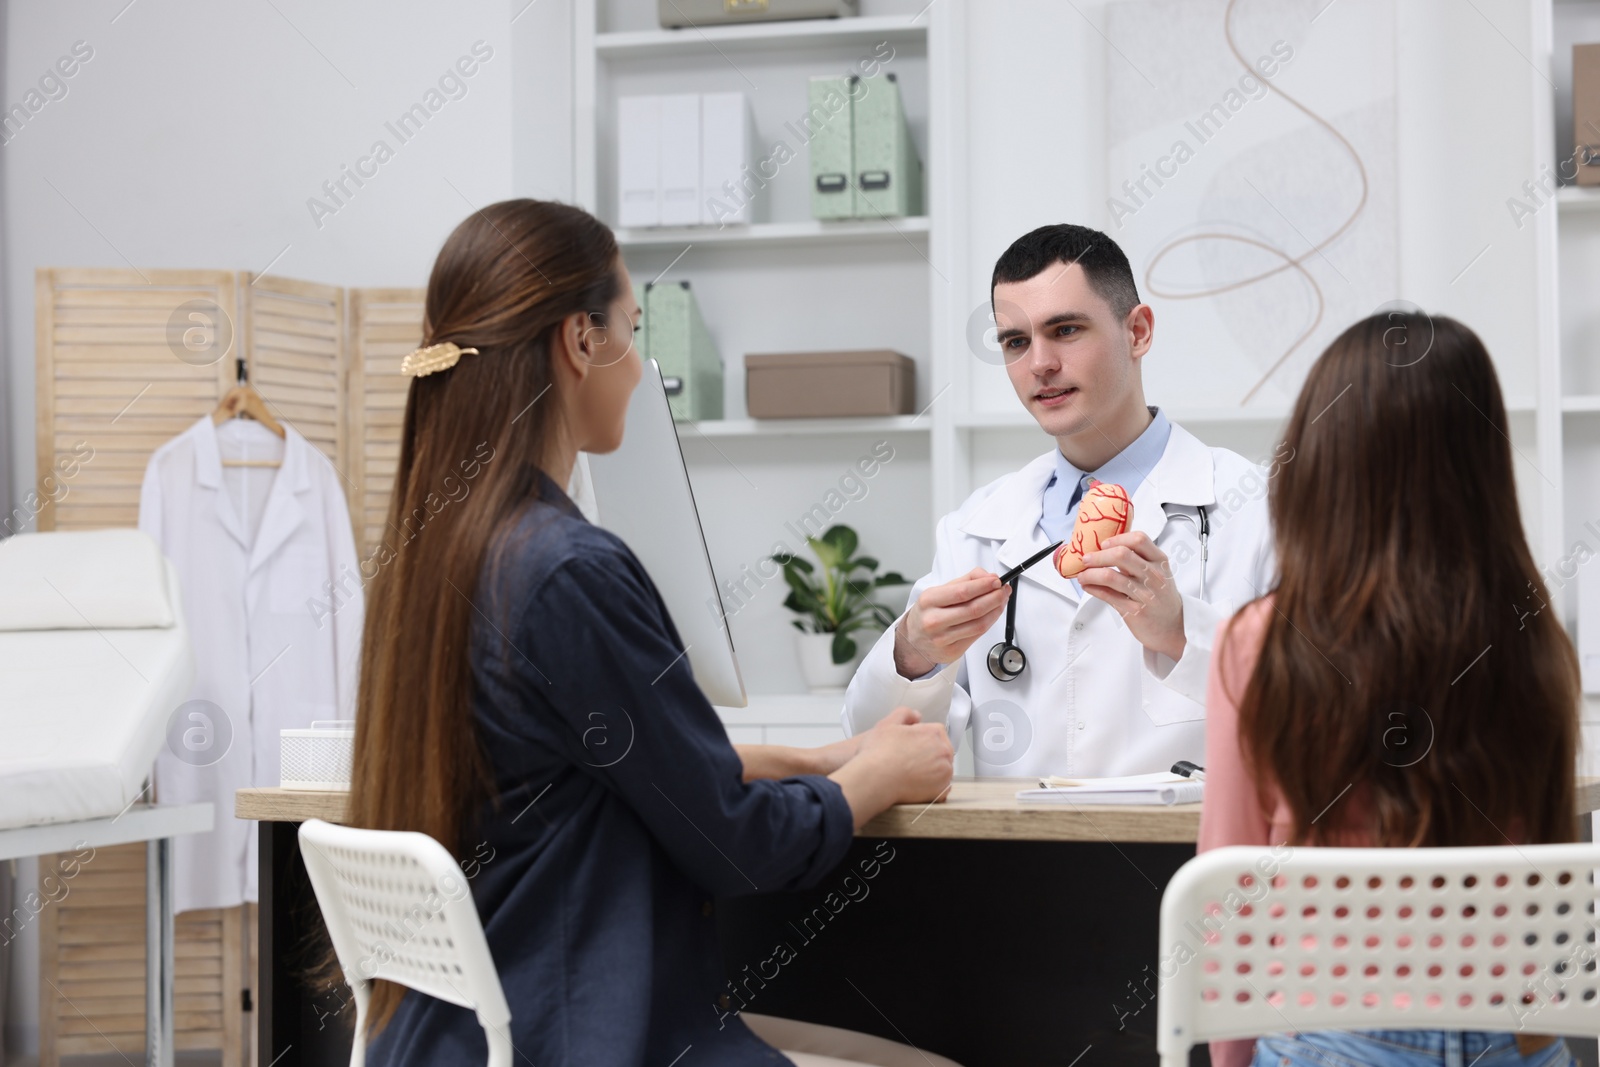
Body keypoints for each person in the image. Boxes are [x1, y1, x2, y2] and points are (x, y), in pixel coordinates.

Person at [342, 198, 959, 1066]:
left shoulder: (431, 556)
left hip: (451, 1037)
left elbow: (589, 778)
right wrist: (880, 774)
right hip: (586, 1032)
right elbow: (736, 844)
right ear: (579, 340)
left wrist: (821, 760)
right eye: (633, 331)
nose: (641, 370)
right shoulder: (567, 570)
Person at [1200, 312, 1580, 1067]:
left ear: (1322, 461)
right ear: (1483, 467)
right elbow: (1549, 888)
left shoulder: (1259, 641)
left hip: (1329, 1037)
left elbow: (1228, 895)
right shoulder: (1534, 637)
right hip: (1515, 1040)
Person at [845, 223, 1279, 776]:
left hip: (1189, 854)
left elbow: (1328, 711)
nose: (1039, 365)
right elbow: (874, 754)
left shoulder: (1259, 509)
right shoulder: (976, 530)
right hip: (1026, 855)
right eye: (1016, 342)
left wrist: (1179, 631)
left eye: (1066, 329)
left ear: (1138, 332)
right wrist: (910, 655)